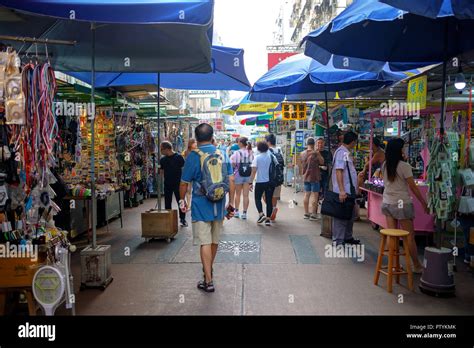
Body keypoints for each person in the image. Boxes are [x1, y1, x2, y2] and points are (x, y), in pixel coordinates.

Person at [180, 123, 235, 293]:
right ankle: (208, 271)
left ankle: (208, 280)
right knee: (214, 240)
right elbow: (231, 180)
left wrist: (182, 200)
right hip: (219, 204)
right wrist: (230, 203)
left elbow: (184, 182)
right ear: (212, 137)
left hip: (200, 205)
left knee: (204, 242)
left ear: (196, 139)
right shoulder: (223, 153)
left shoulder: (193, 156)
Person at [381, 138, 428, 274]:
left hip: (387, 203)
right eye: (402, 148)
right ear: (399, 150)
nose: (404, 150)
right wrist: (423, 202)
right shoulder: (404, 166)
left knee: (392, 235)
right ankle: (416, 266)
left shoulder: (385, 165)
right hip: (401, 204)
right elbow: (413, 187)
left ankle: (393, 265)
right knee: (409, 237)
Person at [331, 131, 360, 246]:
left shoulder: (345, 152)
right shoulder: (342, 152)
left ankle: (347, 237)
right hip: (344, 191)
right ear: (353, 142)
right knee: (340, 216)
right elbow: (339, 171)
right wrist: (342, 191)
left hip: (349, 190)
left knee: (350, 214)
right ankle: (338, 240)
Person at [159, 141, 187, 227]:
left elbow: (184, 171)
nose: (161, 151)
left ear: (167, 149)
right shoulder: (163, 160)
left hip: (179, 184)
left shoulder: (179, 157)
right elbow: (161, 172)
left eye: (161, 149)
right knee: (167, 202)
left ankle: (183, 219)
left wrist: (185, 184)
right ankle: (168, 219)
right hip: (167, 184)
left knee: (181, 201)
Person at [249, 141, 275, 226]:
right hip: (270, 182)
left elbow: (253, 171)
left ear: (259, 148)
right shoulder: (271, 156)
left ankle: (261, 214)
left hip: (260, 182)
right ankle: (268, 219)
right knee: (269, 200)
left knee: (257, 198)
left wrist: (250, 182)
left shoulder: (257, 158)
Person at [300, 138, 324, 221]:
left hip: (306, 177)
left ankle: (306, 213)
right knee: (315, 195)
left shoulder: (302, 153)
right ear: (314, 144)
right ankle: (313, 214)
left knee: (306, 195)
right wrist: (318, 154)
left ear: (306, 144)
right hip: (315, 177)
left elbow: (301, 166)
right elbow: (322, 162)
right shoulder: (315, 153)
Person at [230, 137, 253, 219]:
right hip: (248, 176)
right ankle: (245, 213)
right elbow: (253, 165)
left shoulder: (236, 153)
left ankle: (236, 211)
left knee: (238, 194)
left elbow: (232, 164)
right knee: (246, 195)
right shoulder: (250, 152)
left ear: (240, 143)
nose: (237, 143)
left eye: (238, 142)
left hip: (238, 175)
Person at [265, 134, 284, 221]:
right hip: (278, 177)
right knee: (275, 195)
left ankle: (272, 209)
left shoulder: (266, 151)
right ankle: (274, 208)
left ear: (268, 142)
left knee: (264, 195)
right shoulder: (279, 150)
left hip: (267, 177)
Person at [183, 138, 197, 207]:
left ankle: (190, 203)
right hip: (188, 172)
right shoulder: (186, 152)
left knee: (192, 188)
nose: (195, 143)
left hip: (195, 172)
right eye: (194, 142)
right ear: (190, 144)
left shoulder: (197, 152)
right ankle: (188, 204)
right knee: (188, 189)